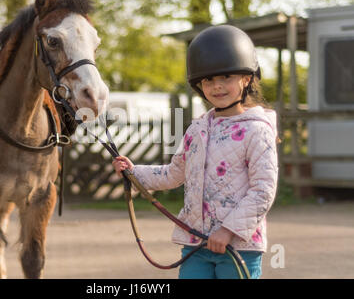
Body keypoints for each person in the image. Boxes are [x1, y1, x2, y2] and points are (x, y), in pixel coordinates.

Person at [112, 25, 278, 279]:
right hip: (197, 243)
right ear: (200, 85)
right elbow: (174, 173)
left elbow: (263, 190)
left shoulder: (258, 131)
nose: (217, 86)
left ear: (246, 79)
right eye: (209, 80)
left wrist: (228, 230)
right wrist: (134, 172)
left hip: (239, 246)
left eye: (226, 77)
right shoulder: (197, 129)